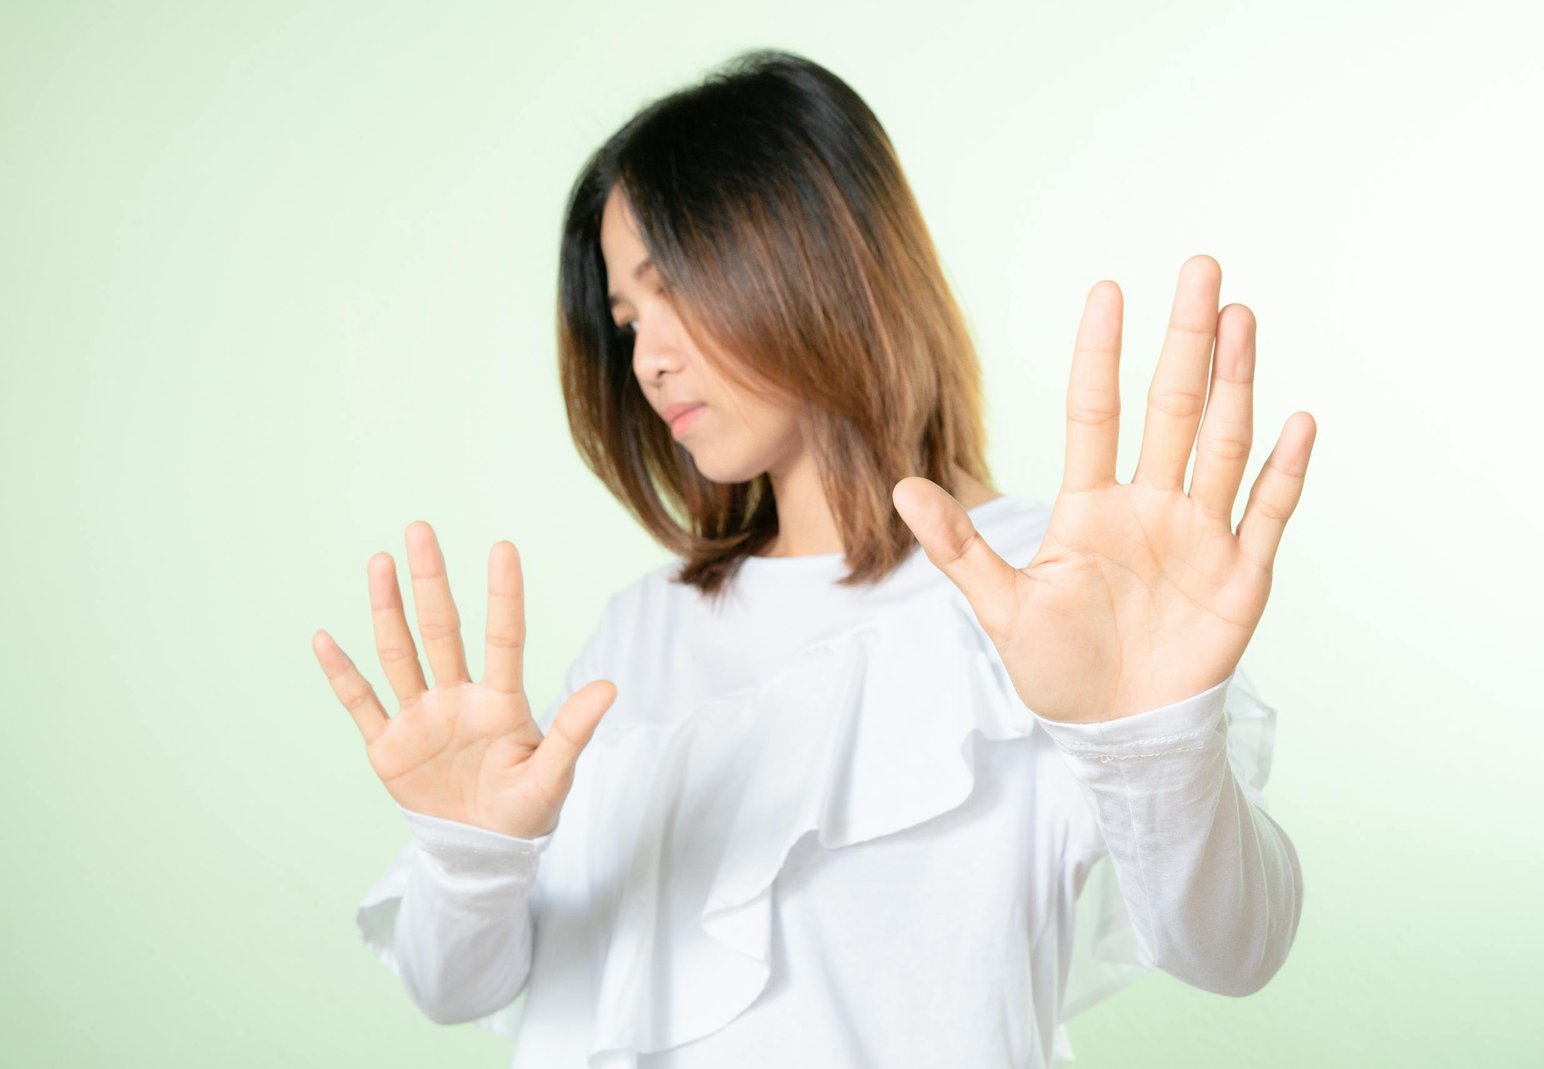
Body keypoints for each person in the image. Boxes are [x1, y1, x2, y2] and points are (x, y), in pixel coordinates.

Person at [312, 48, 1314, 1068]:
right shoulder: (640, 629)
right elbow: (458, 985)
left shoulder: (1048, 586)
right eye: (625, 321)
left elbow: (1230, 949)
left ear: (815, 255)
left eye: (675, 291)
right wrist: (469, 855)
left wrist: (1149, 743)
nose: (648, 359)